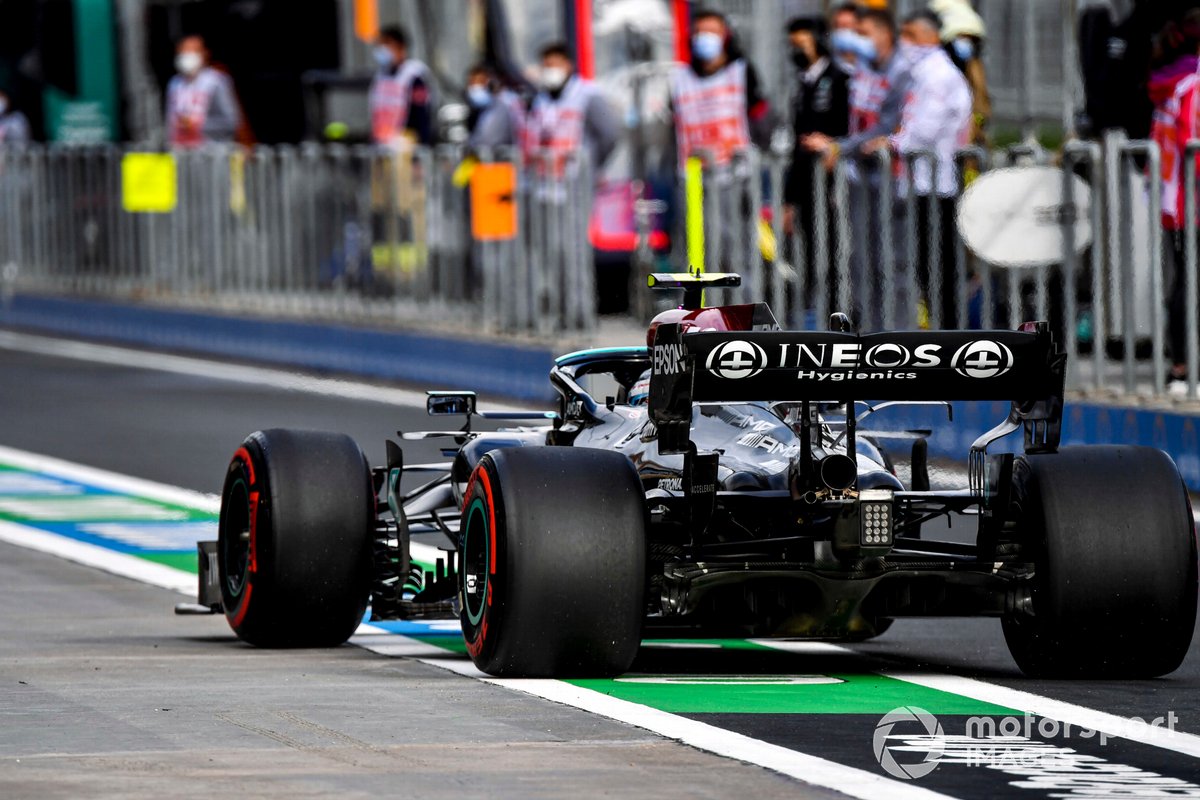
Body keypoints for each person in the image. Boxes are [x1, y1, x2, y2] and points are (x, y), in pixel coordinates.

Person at [802, 9, 913, 329]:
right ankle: (872, 333)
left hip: (889, 179)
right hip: (858, 178)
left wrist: (839, 147)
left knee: (891, 264)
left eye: (862, 33)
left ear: (884, 35)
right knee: (861, 263)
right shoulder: (862, 69)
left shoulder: (901, 73)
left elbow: (887, 125)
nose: (856, 41)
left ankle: (898, 334)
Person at [865, 10, 972, 330]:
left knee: (938, 268)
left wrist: (892, 143)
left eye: (910, 35)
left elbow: (923, 129)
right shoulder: (921, 73)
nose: (905, 42)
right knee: (926, 268)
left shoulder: (938, 75)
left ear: (930, 36)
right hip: (919, 183)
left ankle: (950, 336)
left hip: (935, 184)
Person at [783, 16, 850, 304]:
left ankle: (841, 311)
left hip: (834, 181)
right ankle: (818, 312)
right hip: (807, 183)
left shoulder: (840, 79)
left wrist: (836, 147)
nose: (797, 50)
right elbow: (797, 145)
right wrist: (789, 200)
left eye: (803, 42)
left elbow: (849, 129)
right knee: (812, 251)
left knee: (837, 251)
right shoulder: (802, 84)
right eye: (793, 44)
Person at [1150, 10, 1200, 392]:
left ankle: (1182, 365)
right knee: (1189, 283)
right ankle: (1185, 366)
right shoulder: (1192, 87)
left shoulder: (1175, 83)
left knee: (1183, 280)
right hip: (1191, 201)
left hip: (1176, 203)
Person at [668, 9, 771, 170]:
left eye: (711, 32)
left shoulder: (740, 71)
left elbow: (760, 116)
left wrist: (762, 150)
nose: (704, 38)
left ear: (725, 36)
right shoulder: (680, 78)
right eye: (699, 32)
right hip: (695, 175)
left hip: (737, 173)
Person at [526, 42, 618, 172]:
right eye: (546, 66)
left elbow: (609, 135)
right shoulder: (540, 99)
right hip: (547, 182)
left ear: (568, 65)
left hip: (578, 181)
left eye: (554, 66)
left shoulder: (588, 94)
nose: (549, 71)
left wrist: (591, 166)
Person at [930, 0, 990, 149]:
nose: (966, 43)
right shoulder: (936, 68)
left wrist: (976, 124)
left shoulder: (974, 67)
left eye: (970, 39)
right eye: (962, 37)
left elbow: (982, 103)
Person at [165, 35, 242, 147]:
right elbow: (169, 124)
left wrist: (198, 125)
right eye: (183, 52)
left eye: (192, 51)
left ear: (204, 53)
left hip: (210, 155)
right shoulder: (175, 83)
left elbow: (231, 122)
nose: (186, 56)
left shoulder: (215, 81)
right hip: (181, 154)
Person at [369, 25, 436, 148]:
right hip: (381, 144)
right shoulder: (380, 76)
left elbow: (421, 116)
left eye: (387, 44)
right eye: (380, 45)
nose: (382, 50)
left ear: (400, 47)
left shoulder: (414, 76)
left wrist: (421, 148)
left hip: (405, 146)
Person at [464, 63, 526, 152]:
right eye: (472, 83)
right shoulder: (475, 109)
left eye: (480, 82)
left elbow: (488, 140)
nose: (475, 87)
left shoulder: (501, 107)